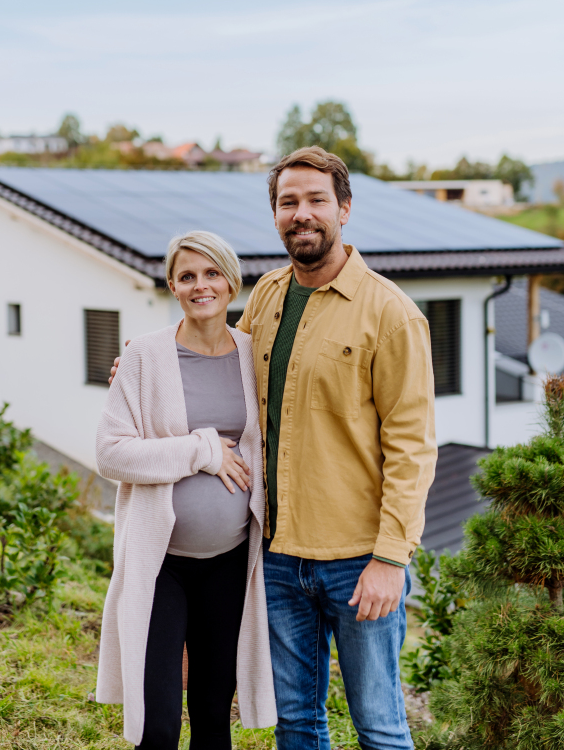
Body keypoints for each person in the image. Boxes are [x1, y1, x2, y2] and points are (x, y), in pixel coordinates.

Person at [111, 147, 437, 750]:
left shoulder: (392, 315)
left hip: (356, 558)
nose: (302, 214)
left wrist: (391, 560)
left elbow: (413, 447)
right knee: (299, 724)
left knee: (380, 725)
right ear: (276, 215)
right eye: (288, 203)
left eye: (316, 200)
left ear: (343, 208)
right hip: (279, 557)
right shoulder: (268, 296)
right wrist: (142, 361)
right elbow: (217, 359)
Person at [95, 231, 277, 749]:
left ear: (231, 281)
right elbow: (111, 454)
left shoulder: (253, 354)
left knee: (213, 717)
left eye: (213, 273)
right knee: (158, 725)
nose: (202, 286)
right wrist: (202, 450)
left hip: (231, 561)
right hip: (163, 564)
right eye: (188, 276)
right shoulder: (145, 356)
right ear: (173, 285)